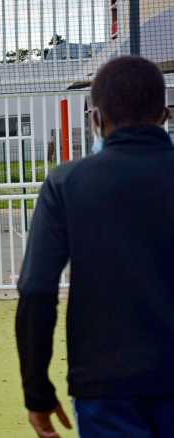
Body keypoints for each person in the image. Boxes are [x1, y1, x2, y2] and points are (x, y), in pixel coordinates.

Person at [16, 55, 173, 438]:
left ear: (95, 119)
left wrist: (37, 390)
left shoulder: (67, 184)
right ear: (165, 115)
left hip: (105, 386)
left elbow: (37, 290)